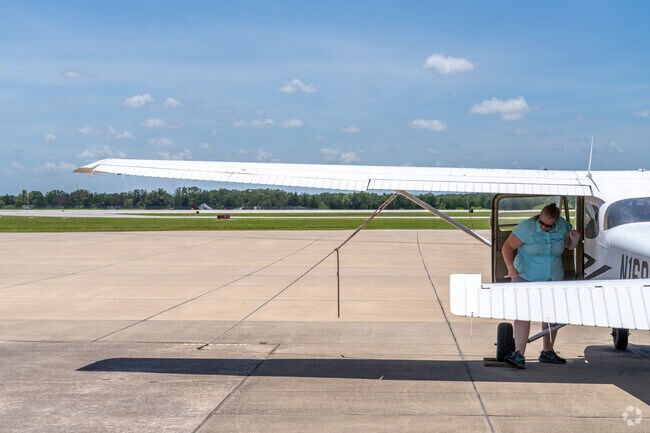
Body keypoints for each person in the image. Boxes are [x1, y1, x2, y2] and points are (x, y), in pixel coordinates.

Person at [501, 202, 580, 369]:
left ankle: (547, 352)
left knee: (552, 315)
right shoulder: (526, 228)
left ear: (556, 222)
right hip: (526, 277)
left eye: (548, 226)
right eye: (541, 223)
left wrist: (575, 238)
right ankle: (519, 354)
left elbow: (569, 246)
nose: (544, 227)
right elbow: (507, 246)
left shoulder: (563, 226)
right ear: (539, 217)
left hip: (553, 278)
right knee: (523, 314)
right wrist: (510, 267)